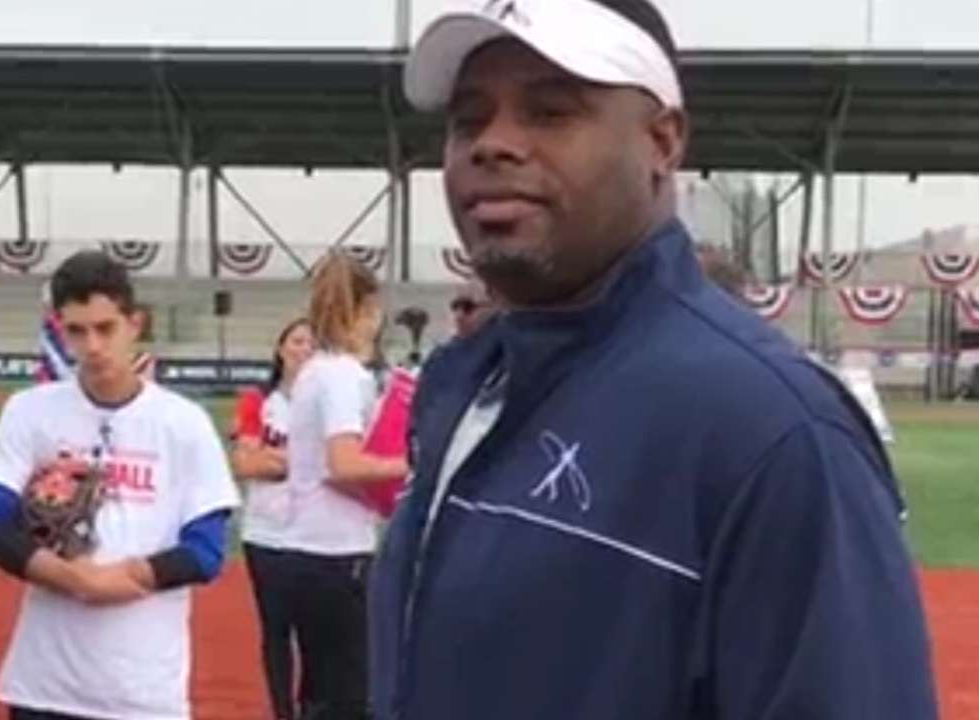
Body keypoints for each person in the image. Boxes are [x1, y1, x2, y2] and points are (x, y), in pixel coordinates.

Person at [370, 1, 938, 719]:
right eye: (468, 119)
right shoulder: (463, 384)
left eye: (549, 112)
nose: (493, 144)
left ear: (662, 143)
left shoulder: (778, 433)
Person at [0, 250, 240, 720]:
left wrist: (127, 578)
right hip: (45, 686)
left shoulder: (183, 423)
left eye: (105, 328)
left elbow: (206, 550)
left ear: (135, 324)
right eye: (76, 331)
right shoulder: (28, 410)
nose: (92, 346)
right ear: (60, 329)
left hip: (141, 692)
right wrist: (75, 579)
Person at [279, 252, 408, 720]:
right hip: (335, 553)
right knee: (349, 694)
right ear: (366, 310)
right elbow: (343, 463)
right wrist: (410, 464)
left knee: (322, 689)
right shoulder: (342, 375)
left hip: (307, 547)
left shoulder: (316, 370)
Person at [229, 318, 315, 720]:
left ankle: (312, 706)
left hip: (316, 532)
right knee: (276, 630)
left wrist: (276, 459)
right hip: (265, 531)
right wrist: (302, 462)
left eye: (312, 343)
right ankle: (283, 711)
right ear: (281, 348)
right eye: (296, 340)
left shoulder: (328, 400)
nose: (303, 349)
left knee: (315, 632)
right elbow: (245, 462)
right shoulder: (258, 399)